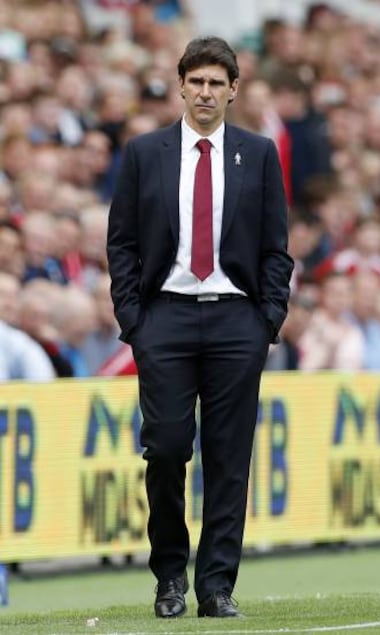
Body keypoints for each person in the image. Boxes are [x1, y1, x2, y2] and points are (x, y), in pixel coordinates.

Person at [107, 36, 293, 619]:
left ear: (234, 91)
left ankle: (215, 587)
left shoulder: (258, 153)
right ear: (181, 85)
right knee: (165, 446)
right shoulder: (144, 152)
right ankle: (169, 576)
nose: (206, 92)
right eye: (197, 81)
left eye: (217, 82)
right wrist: (135, 320)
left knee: (229, 455)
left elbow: (276, 248)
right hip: (164, 317)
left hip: (237, 319)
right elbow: (122, 244)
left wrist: (267, 318)